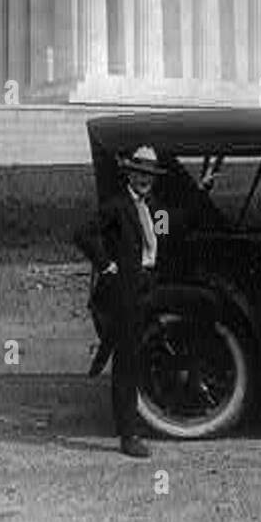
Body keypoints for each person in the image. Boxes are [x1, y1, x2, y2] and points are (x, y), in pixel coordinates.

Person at [73, 145, 170, 459]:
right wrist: (106, 265)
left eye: (150, 175)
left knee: (140, 354)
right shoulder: (117, 206)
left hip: (147, 286)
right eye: (139, 173)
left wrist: (205, 186)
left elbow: (164, 232)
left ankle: (146, 418)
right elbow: (83, 234)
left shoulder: (154, 206)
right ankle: (128, 435)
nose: (144, 179)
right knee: (126, 362)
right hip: (125, 289)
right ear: (129, 174)